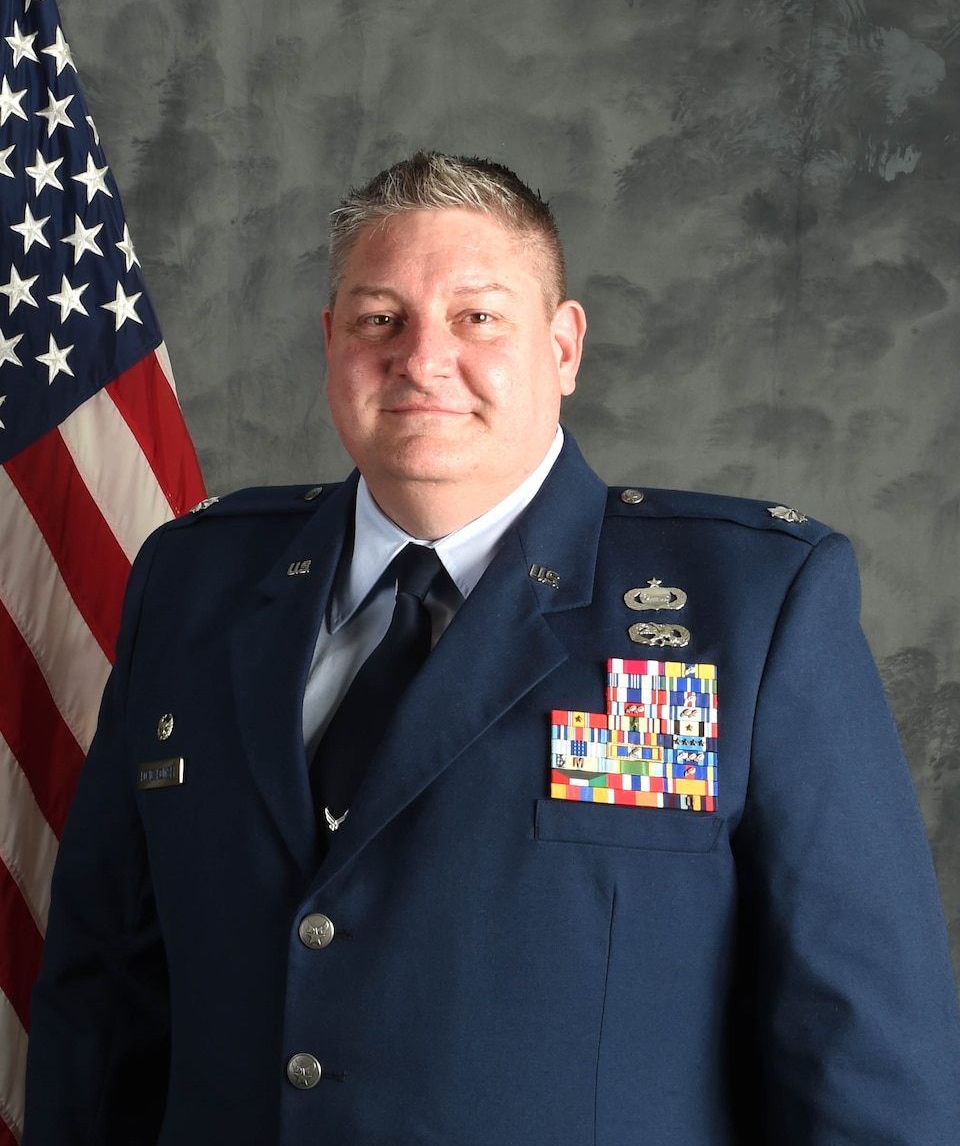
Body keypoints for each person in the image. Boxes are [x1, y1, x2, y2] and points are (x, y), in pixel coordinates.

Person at [25, 152, 960, 1143]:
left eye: (478, 317)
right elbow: (103, 992)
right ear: (330, 341)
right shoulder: (194, 584)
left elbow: (859, 1039)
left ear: (563, 347)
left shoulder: (752, 604)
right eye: (379, 317)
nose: (423, 359)